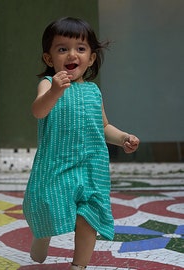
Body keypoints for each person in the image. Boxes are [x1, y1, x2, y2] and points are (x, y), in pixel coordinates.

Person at [22, 17, 140, 270]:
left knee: (89, 217)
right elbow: (38, 111)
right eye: (62, 48)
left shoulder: (93, 92)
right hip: (55, 166)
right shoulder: (48, 84)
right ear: (49, 59)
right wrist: (55, 91)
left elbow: (104, 126)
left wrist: (122, 139)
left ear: (92, 58)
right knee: (47, 207)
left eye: (81, 48)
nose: (71, 54)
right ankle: (42, 238)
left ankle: (79, 267)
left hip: (89, 167)